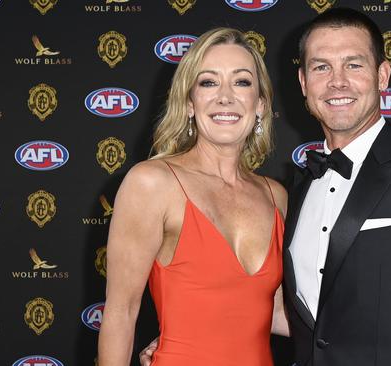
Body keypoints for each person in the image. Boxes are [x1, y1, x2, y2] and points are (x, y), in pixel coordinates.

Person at [142, 7, 391, 366]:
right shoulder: (294, 191)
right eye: (321, 67)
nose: (337, 81)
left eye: (354, 64)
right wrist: (189, 333)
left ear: (382, 75)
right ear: (303, 82)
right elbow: (281, 309)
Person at [98, 27, 289, 366]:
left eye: (242, 82)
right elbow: (121, 313)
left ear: (260, 105)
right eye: (208, 82)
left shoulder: (276, 197)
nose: (225, 97)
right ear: (189, 103)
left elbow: (273, 313)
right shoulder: (152, 183)